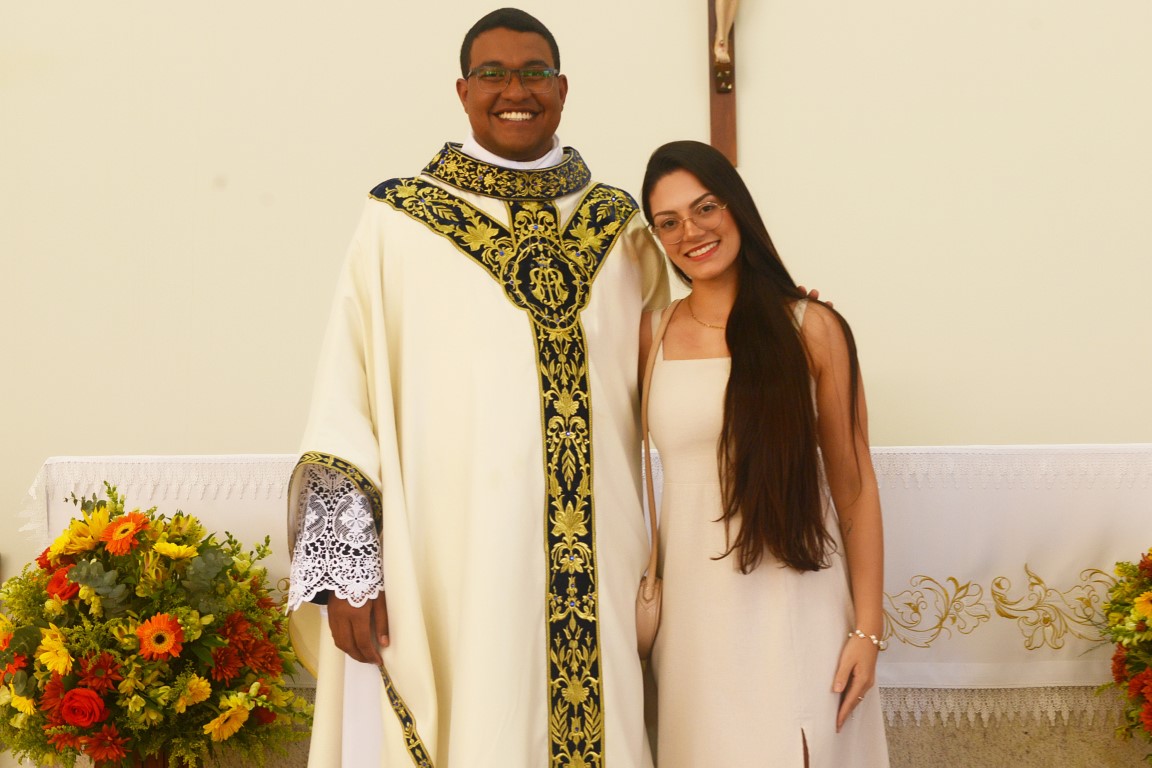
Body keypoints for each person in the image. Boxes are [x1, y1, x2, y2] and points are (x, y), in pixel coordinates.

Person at [285, 8, 669, 768]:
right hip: (454, 556)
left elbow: (678, 358)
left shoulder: (618, 225)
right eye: (492, 74)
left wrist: (784, 322)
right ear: (463, 91)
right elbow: (343, 389)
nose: (514, 91)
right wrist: (348, 572)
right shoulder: (400, 220)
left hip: (603, 554)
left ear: (562, 89)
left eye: (533, 74)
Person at [638, 140, 890, 768]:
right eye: (669, 222)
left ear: (736, 208)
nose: (691, 232)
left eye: (705, 208)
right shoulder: (649, 334)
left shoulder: (812, 327)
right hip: (692, 616)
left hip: (795, 600)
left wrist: (868, 629)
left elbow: (854, 487)